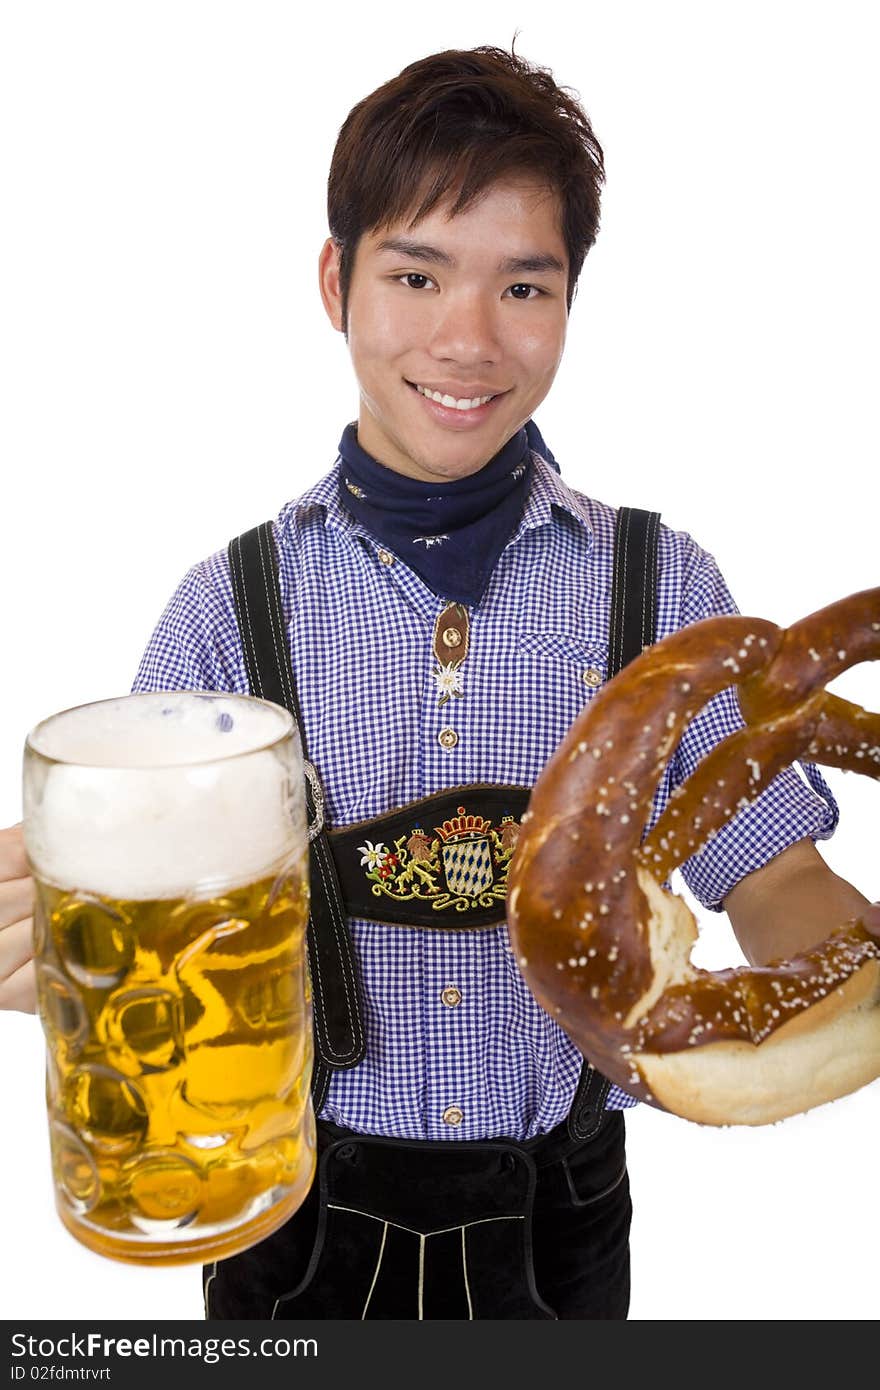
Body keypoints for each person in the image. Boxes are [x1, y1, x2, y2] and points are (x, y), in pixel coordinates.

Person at [0, 42, 873, 1320]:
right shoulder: (224, 614)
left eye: (525, 286)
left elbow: (780, 881)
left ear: (572, 299)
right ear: (335, 283)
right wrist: (53, 968)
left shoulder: (661, 587)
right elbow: (151, 965)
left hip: (560, 1213)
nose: (469, 340)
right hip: (291, 1217)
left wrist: (849, 975)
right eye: (417, 275)